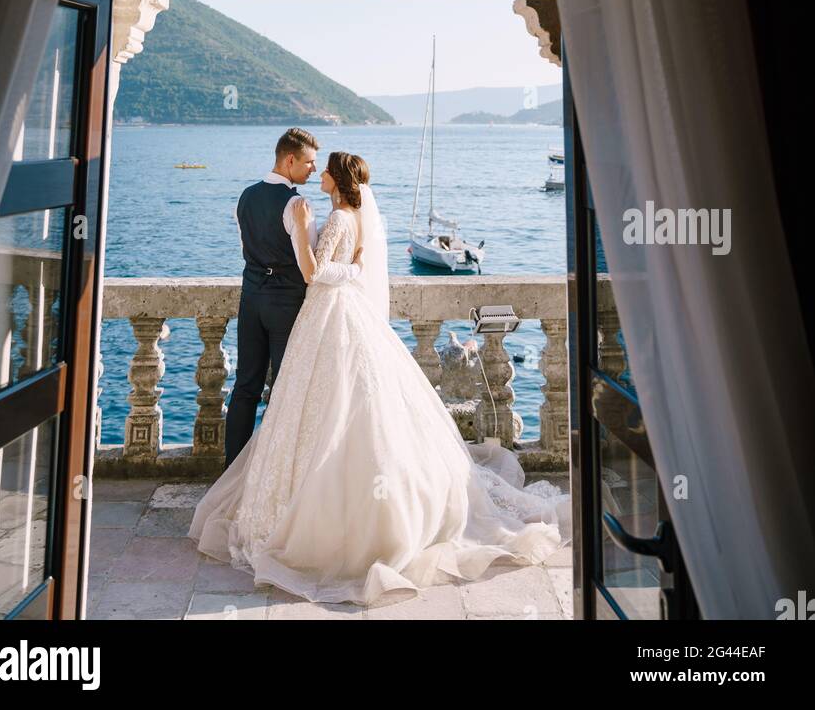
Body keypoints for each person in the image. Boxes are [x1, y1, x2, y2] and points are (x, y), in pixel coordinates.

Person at [191, 150, 571, 607]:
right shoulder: (353, 216)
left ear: (337, 179)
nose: (320, 173)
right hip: (344, 313)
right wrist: (347, 265)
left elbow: (314, 274)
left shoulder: (336, 219)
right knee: (352, 404)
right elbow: (346, 265)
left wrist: (337, 262)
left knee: (319, 403)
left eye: (325, 169)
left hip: (329, 311)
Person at [223, 128, 362, 466]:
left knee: (245, 387)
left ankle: (232, 470)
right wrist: (354, 267)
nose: (313, 169)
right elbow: (308, 266)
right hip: (285, 304)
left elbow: (247, 250)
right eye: (310, 162)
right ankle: (272, 470)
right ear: (290, 160)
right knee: (285, 390)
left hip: (251, 298)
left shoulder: (244, 197)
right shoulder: (298, 204)